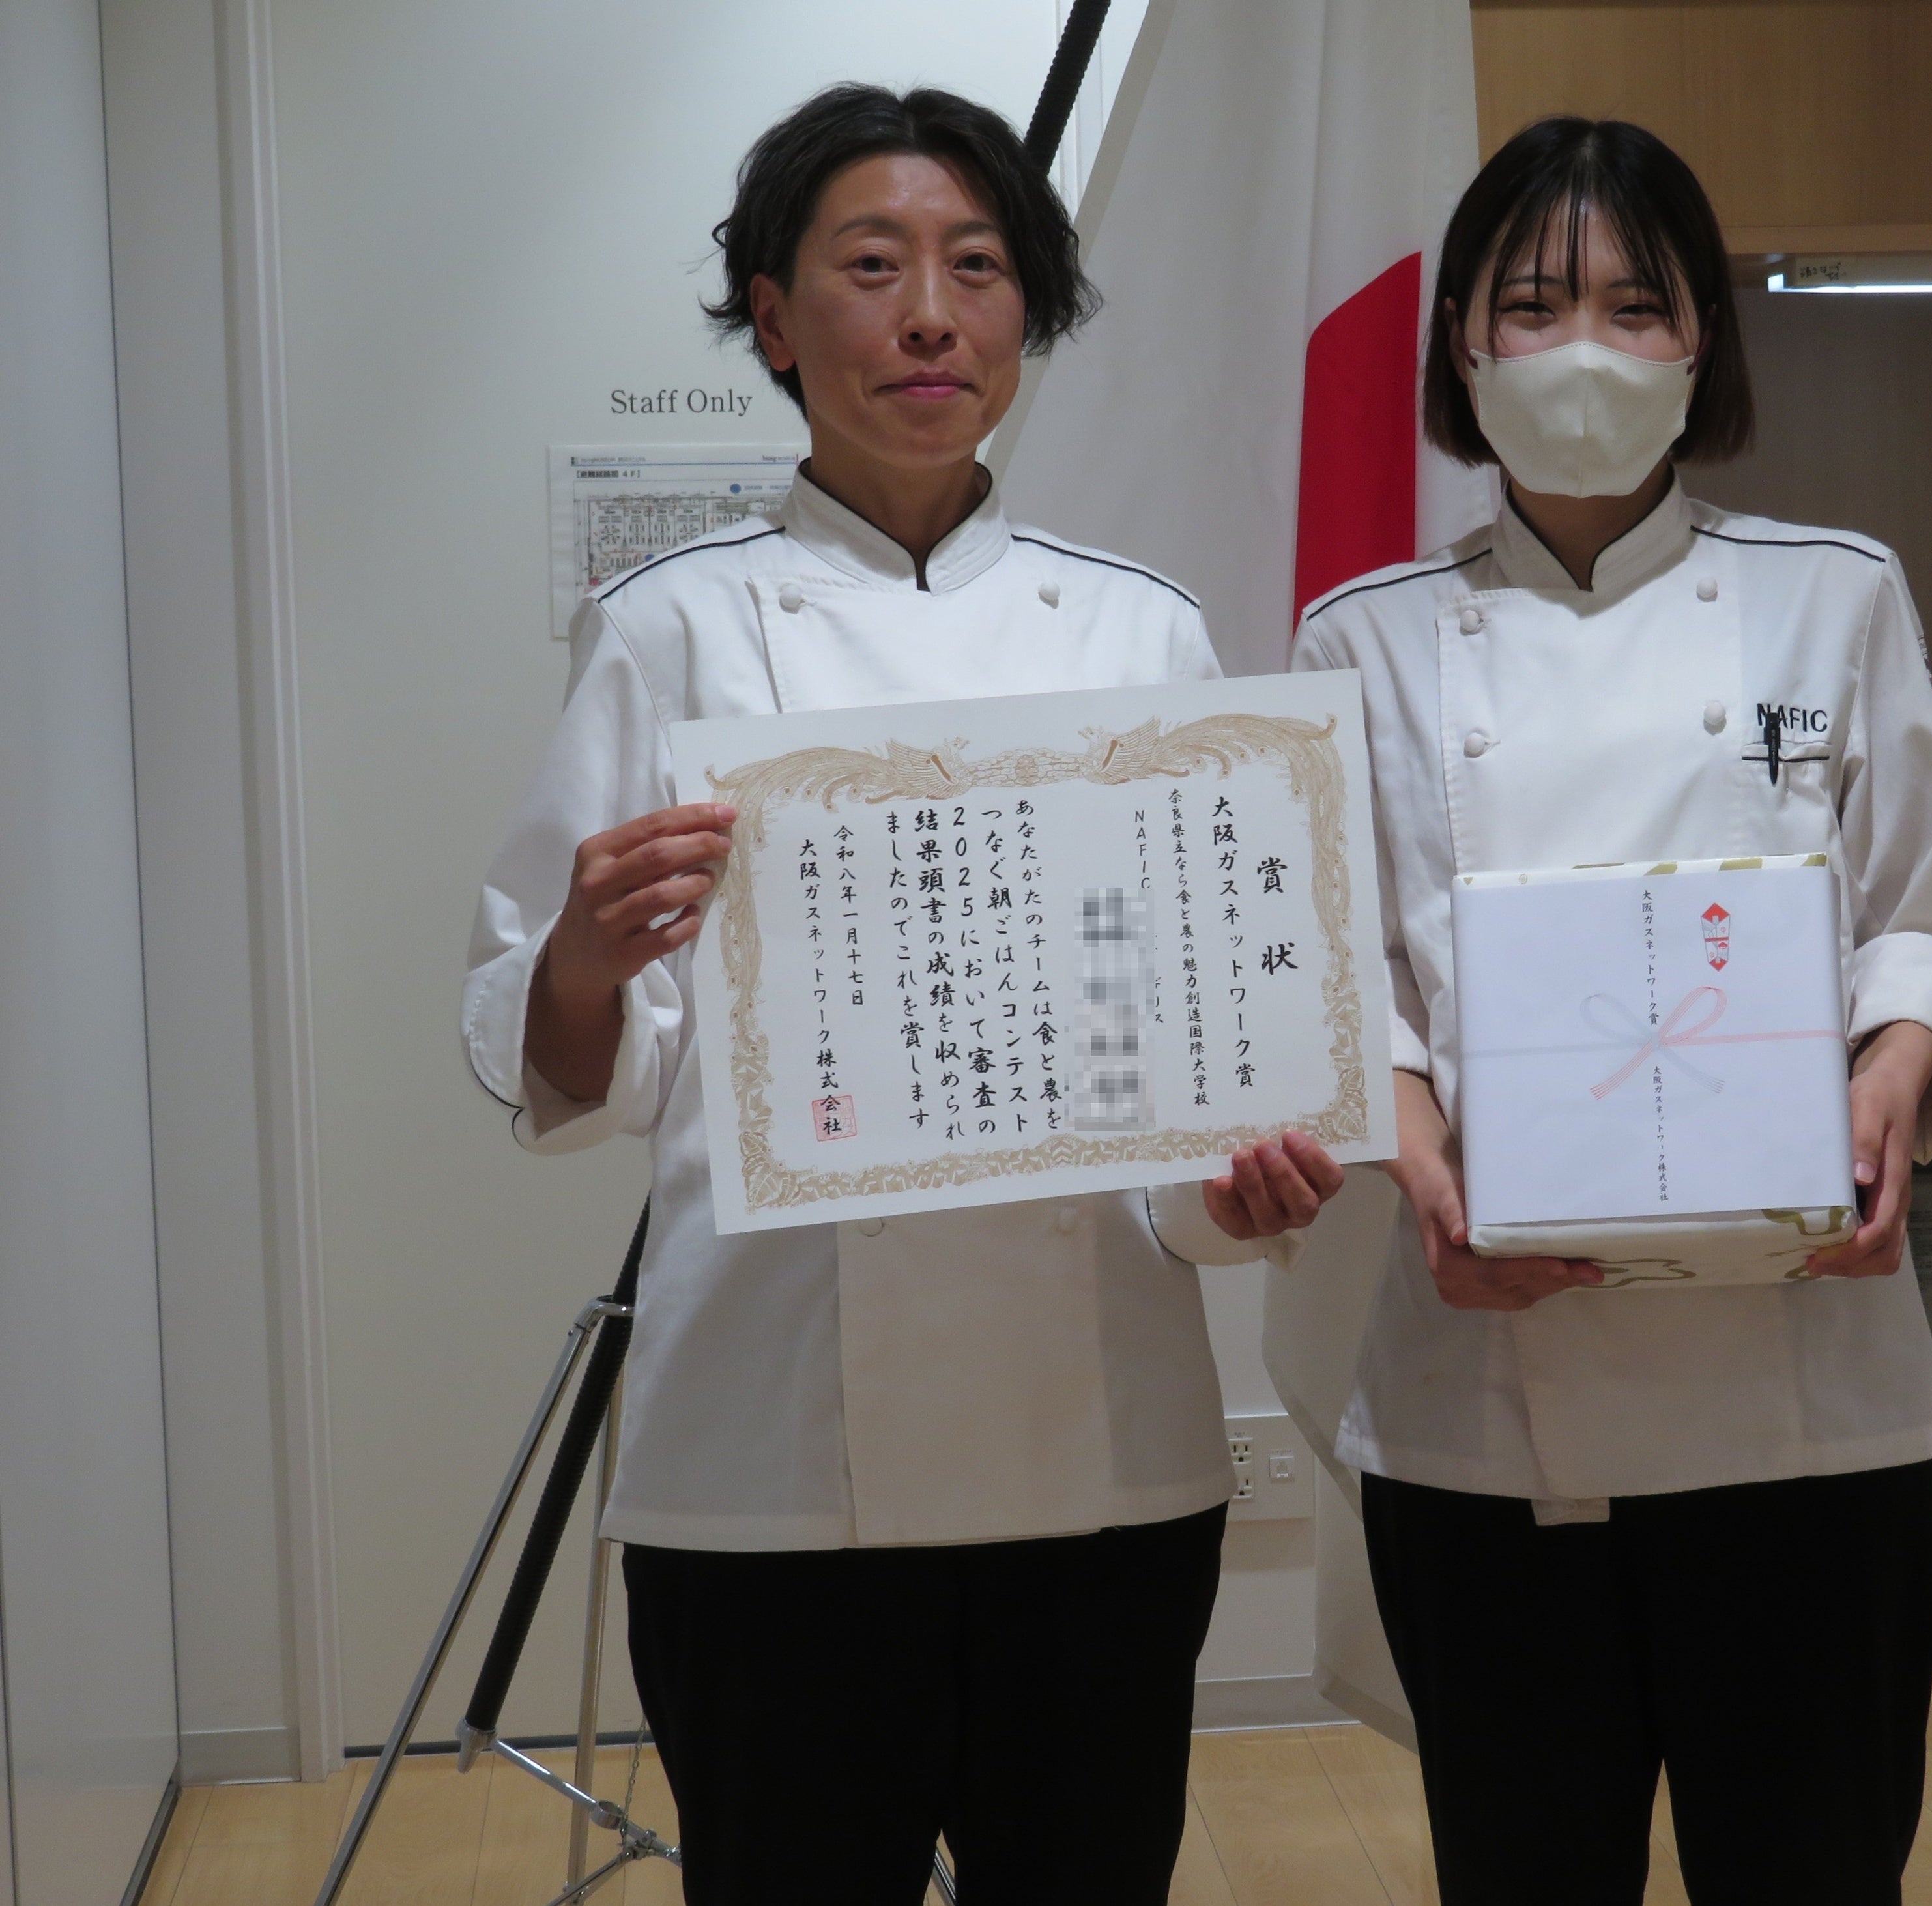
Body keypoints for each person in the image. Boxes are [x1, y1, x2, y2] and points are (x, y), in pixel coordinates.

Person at [463, 83, 1340, 1905]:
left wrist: (1239, 1190)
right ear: (775, 318)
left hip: (1098, 1447)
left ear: (1031, 311)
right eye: (872, 267)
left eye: (977, 267)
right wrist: (583, 959)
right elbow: (567, 1062)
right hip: (770, 1447)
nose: (930, 315)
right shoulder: (671, 628)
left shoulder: (1141, 631)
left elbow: (1182, 1071)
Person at [1289, 117, 1932, 1905]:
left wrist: (1893, 1078)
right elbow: (1344, 976)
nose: (1581, 349)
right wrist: (1423, 1167)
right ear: (1461, 342)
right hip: (1485, 1382)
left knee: (1815, 1869)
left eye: (1633, 304)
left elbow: (1919, 905)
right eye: (1531, 305)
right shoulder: (1363, 639)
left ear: (1701, 342)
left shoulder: (1833, 595)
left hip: (1805, 1391)